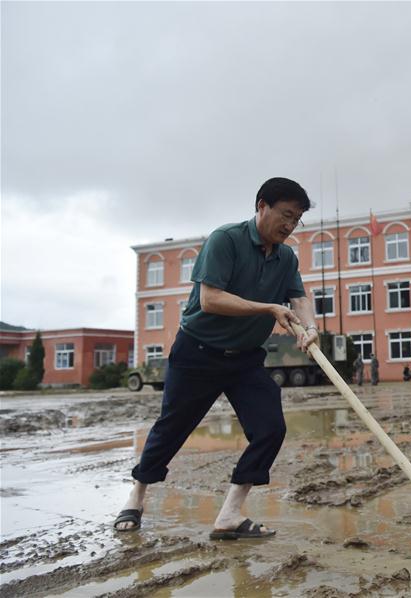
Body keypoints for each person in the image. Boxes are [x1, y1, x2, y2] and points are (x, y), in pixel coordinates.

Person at [113, 177, 317, 539]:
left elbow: (298, 296)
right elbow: (211, 299)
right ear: (261, 206)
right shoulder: (226, 239)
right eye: (285, 215)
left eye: (296, 219)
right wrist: (269, 308)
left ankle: (230, 515)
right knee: (171, 428)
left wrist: (310, 326)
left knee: (270, 427)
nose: (289, 225)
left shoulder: (286, 257)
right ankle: (137, 495)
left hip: (245, 360)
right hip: (198, 353)